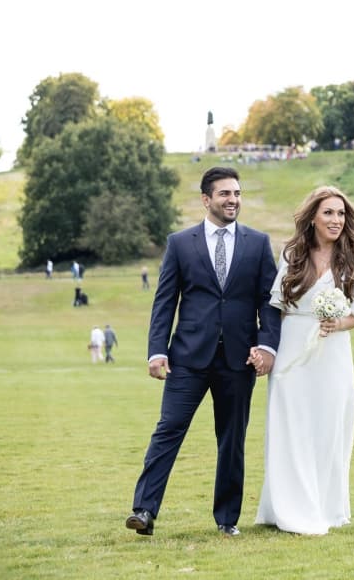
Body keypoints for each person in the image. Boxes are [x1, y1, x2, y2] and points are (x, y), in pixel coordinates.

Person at [125, 166, 282, 538]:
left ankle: (227, 519)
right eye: (225, 193)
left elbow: (269, 301)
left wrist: (266, 346)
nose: (233, 200)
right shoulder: (180, 243)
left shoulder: (258, 243)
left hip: (239, 361)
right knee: (168, 431)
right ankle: (144, 511)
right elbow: (165, 301)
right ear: (206, 199)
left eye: (237, 193)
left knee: (231, 440)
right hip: (188, 358)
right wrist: (156, 351)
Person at [253, 186, 354, 535]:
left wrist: (339, 322)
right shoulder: (293, 254)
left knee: (329, 429)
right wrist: (270, 350)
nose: (336, 220)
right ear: (312, 217)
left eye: (341, 214)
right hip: (293, 351)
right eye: (328, 213)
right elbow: (275, 307)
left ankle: (323, 506)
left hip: (333, 354)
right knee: (290, 427)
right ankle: (287, 506)